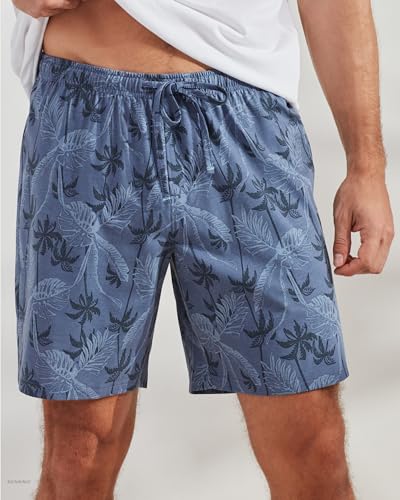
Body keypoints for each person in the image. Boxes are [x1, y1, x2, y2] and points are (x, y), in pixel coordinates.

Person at [10, 1, 394, 499]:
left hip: (245, 122)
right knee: (78, 454)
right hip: (86, 119)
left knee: (312, 444)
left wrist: (366, 165)